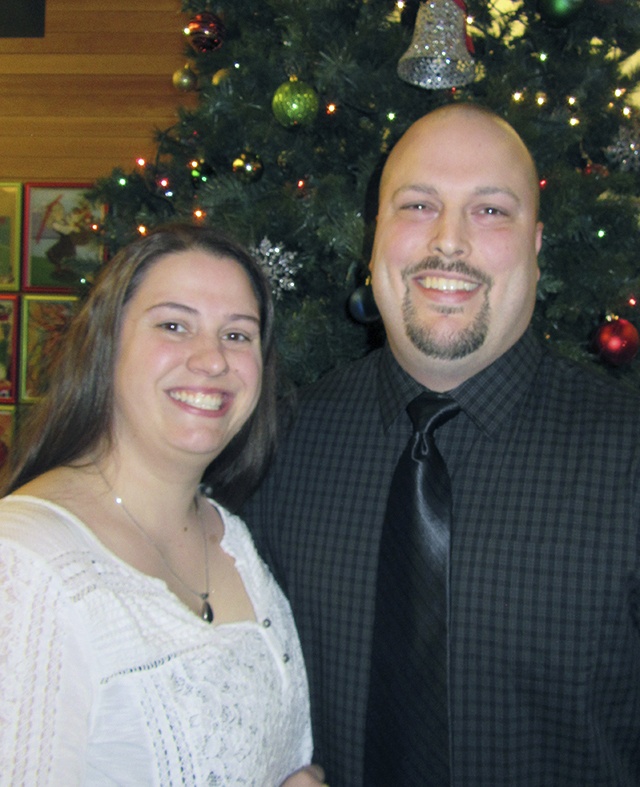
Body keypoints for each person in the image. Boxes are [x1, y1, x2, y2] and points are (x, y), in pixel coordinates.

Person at [243, 103, 640, 785]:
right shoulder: (278, 447)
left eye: (490, 211)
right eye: (419, 205)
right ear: (375, 239)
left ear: (537, 245)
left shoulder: (630, 459)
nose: (449, 242)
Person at [0, 223, 325, 786]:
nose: (212, 360)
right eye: (174, 325)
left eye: (238, 335)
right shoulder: (25, 566)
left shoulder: (234, 540)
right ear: (107, 346)